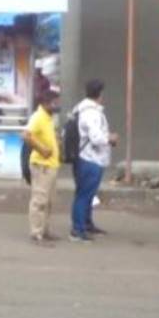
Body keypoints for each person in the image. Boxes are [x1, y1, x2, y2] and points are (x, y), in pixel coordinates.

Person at [69, 79, 117, 243]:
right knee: (84, 195)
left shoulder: (81, 109)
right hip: (90, 159)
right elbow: (96, 138)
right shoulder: (91, 113)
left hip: (86, 158)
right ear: (100, 94)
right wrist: (110, 138)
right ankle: (78, 229)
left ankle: (87, 224)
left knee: (87, 194)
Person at [23, 87, 62, 245]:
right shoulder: (38, 117)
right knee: (39, 200)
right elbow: (26, 135)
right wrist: (42, 149)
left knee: (49, 201)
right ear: (46, 103)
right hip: (41, 165)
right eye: (54, 103)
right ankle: (36, 233)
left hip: (51, 165)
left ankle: (45, 230)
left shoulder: (48, 118)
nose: (57, 105)